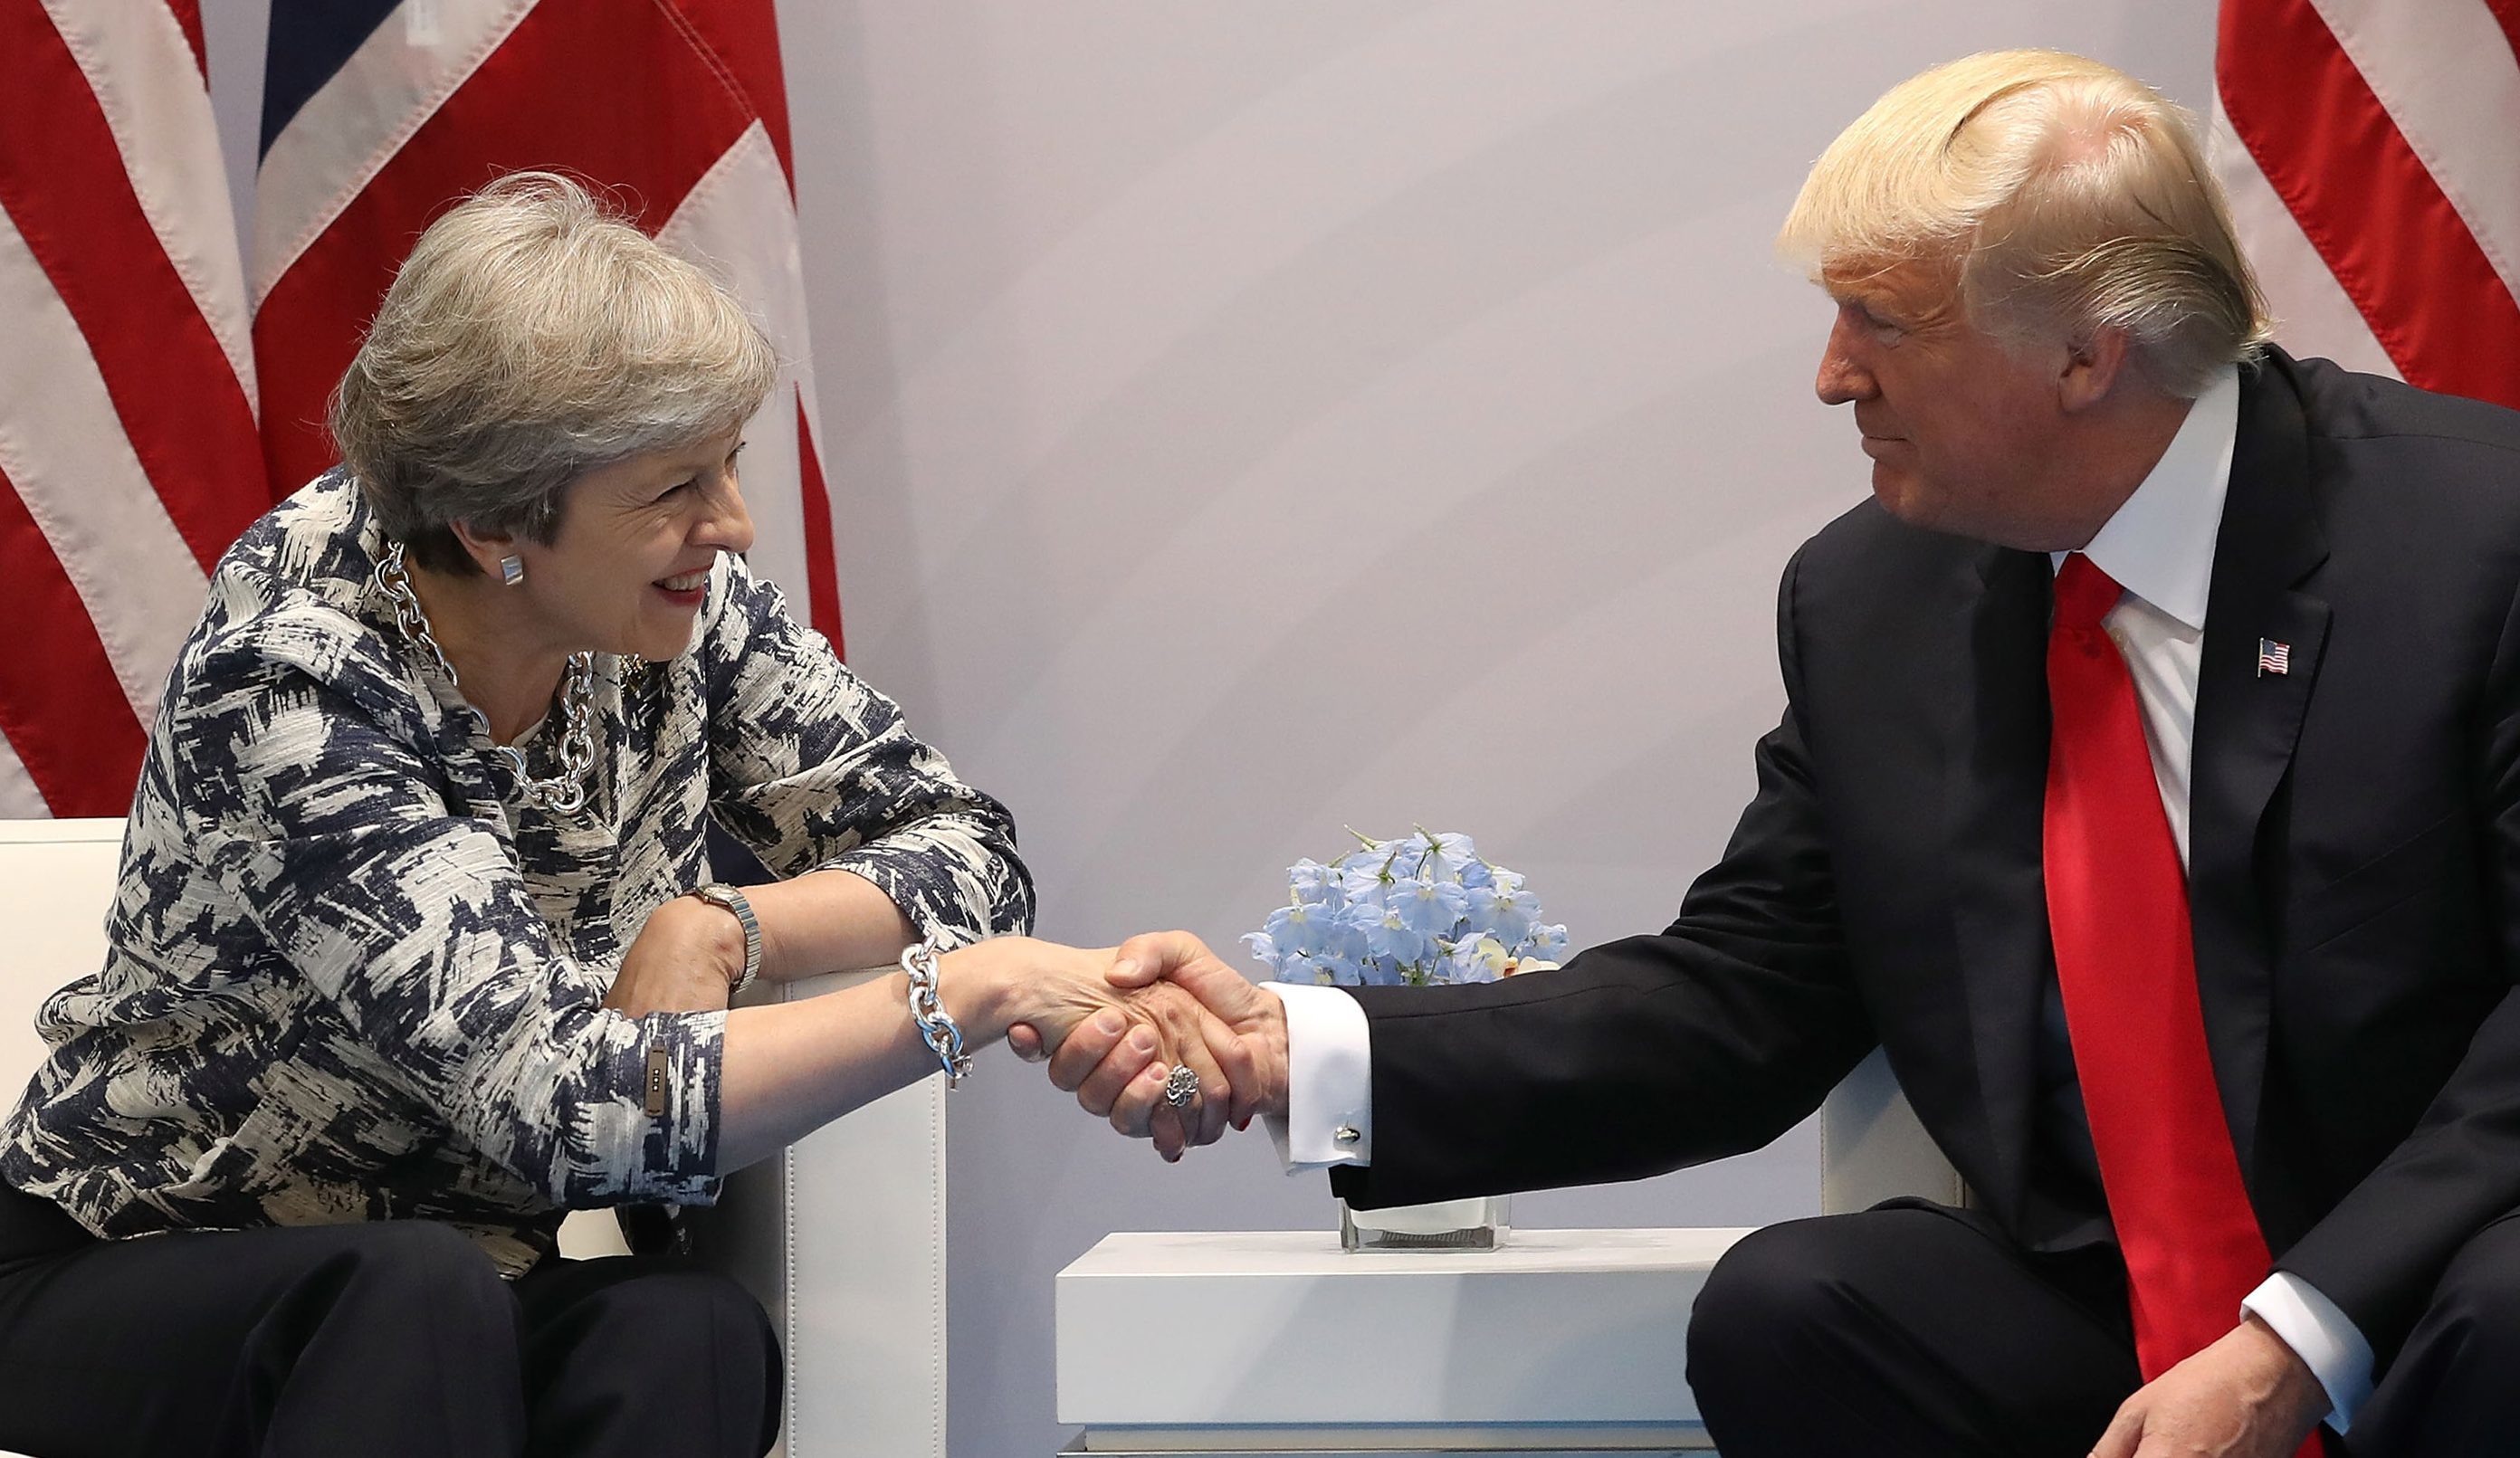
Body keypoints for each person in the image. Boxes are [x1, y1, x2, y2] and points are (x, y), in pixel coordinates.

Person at [1046, 49, 2520, 1458]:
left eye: (1883, 320)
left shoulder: (2471, 542)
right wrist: (1299, 1049)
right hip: (2117, 1313)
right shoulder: (1877, 599)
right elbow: (1741, 1000)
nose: (1831, 376)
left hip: (2426, 1287)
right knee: (1794, 1315)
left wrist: (2297, 1336)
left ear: (2084, 355)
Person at [0, 173, 1237, 1458]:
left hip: (461, 1279)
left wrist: (729, 923)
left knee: (683, 1330)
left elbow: (963, 846)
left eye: (729, 464)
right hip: (143, 1267)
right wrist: (970, 996)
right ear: (493, 521)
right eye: (673, 488)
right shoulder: (294, 678)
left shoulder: (675, 610)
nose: (733, 524)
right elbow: (558, 1105)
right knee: (406, 1297)